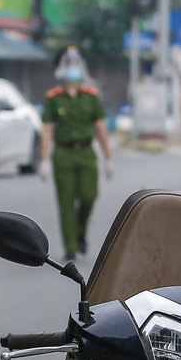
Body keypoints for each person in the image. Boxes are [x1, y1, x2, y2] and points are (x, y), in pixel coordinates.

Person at [37, 48, 113, 263]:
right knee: (66, 201)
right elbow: (48, 130)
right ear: (62, 68)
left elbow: (100, 127)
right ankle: (71, 246)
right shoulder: (53, 98)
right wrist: (43, 160)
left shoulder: (91, 96)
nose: (72, 67)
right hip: (63, 153)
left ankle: (80, 234)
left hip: (87, 152)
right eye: (68, 63)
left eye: (75, 63)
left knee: (89, 196)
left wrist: (108, 157)